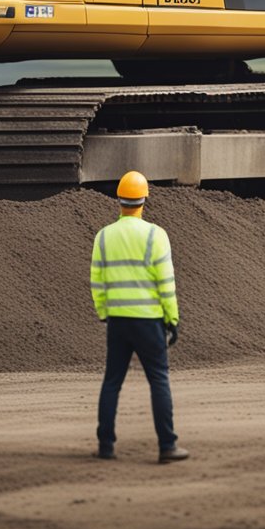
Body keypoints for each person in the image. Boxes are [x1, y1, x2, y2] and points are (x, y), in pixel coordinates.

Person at [90, 170, 188, 463]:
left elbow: (97, 281)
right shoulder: (155, 236)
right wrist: (172, 319)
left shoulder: (104, 237)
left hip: (117, 320)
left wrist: (105, 313)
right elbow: (165, 283)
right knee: (159, 380)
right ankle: (167, 446)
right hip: (149, 321)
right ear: (144, 200)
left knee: (112, 382)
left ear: (118, 200)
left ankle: (106, 445)